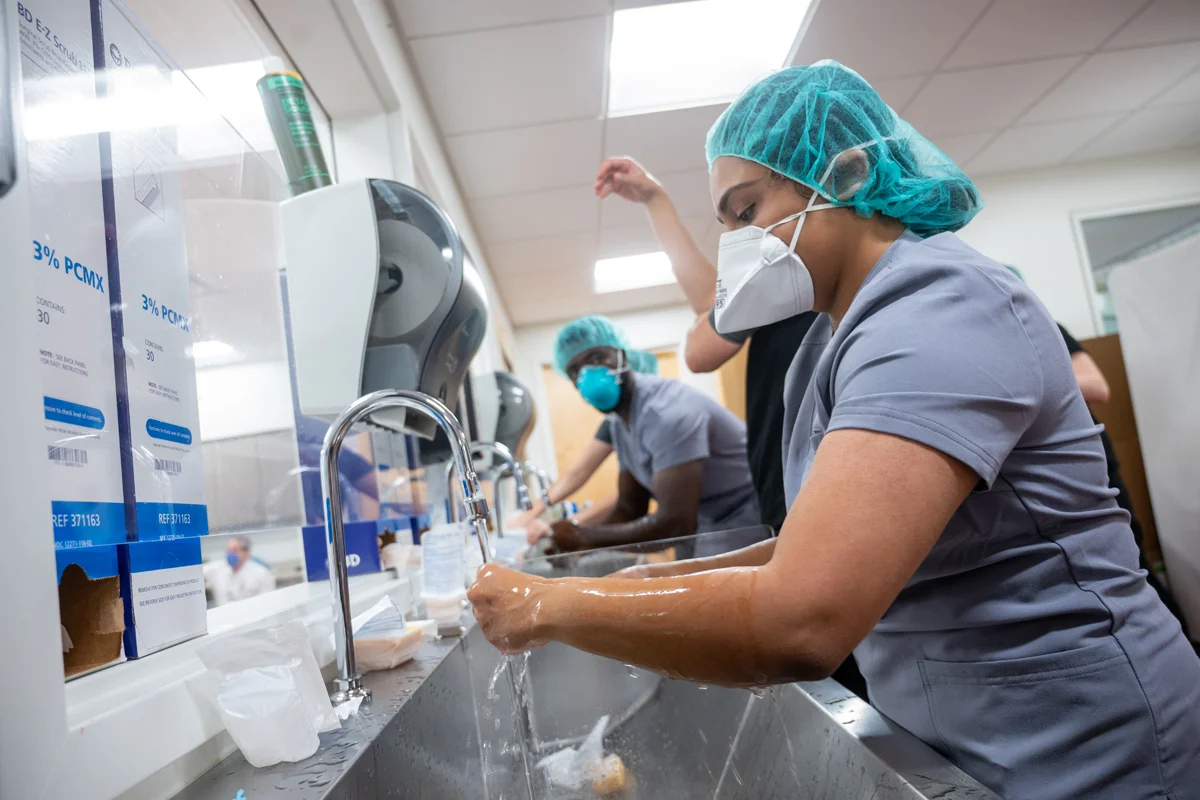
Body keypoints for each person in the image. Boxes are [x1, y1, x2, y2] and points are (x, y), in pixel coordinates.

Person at [470, 61, 1200, 799]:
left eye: (746, 212)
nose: (737, 246)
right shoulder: (826, 345)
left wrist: (551, 606)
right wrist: (651, 583)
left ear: (843, 175)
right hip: (974, 728)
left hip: (1089, 741)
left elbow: (802, 619)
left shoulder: (939, 308)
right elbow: (811, 543)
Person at [593, 156, 868, 698]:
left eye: (747, 211)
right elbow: (711, 311)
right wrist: (656, 202)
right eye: (730, 223)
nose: (741, 240)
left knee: (845, 669)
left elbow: (702, 345)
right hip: (783, 500)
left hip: (820, 506)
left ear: (836, 184)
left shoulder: (857, 310)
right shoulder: (785, 292)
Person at [535, 315, 766, 559]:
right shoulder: (620, 423)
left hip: (745, 514)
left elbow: (675, 523)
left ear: (623, 355)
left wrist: (582, 537)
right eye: (575, 370)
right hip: (701, 518)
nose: (587, 374)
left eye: (596, 358)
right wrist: (575, 543)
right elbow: (629, 508)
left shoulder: (666, 412)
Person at [1056, 319, 1190, 637]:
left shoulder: (1036, 323)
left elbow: (1097, 385)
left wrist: (1015, 383)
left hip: (1085, 463)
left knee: (1129, 561)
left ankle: (1184, 655)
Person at [510, 350, 659, 544]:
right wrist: (532, 513)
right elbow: (578, 473)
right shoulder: (616, 422)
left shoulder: (654, 419)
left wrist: (565, 525)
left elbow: (632, 492)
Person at [203, 536, 276, 605]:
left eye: (234, 550)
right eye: (228, 550)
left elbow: (268, 601)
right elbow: (196, 573)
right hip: (223, 614)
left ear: (247, 552)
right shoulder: (217, 568)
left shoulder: (261, 573)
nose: (230, 554)